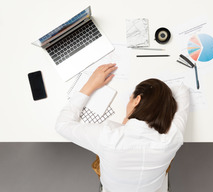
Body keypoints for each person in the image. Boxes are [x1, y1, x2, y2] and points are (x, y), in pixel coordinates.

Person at [55, 63, 190, 192]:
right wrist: (157, 100)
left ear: (137, 100)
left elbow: (62, 125)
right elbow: (182, 91)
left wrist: (90, 85)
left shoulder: (107, 136)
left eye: (130, 98)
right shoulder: (172, 138)